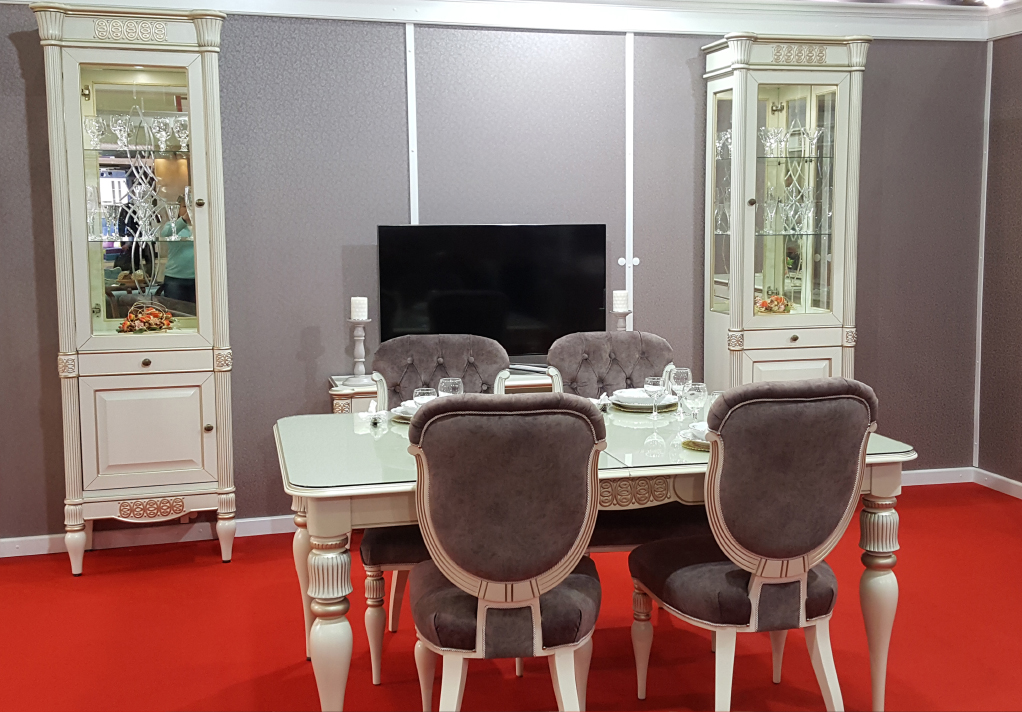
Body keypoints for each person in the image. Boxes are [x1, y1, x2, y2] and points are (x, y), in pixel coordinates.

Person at [160, 199, 195, 304]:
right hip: (175, 278)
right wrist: (184, 219)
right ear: (178, 209)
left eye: (191, 206)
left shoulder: (204, 226)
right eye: (185, 206)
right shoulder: (172, 225)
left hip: (198, 277)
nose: (189, 209)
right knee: (175, 310)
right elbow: (165, 234)